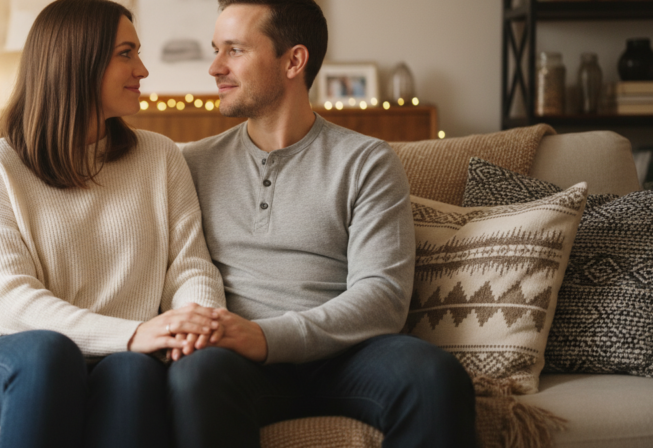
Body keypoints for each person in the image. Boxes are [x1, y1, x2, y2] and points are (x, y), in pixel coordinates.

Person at [167, 1, 477, 447]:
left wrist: (266, 336)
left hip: (346, 356)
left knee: (432, 375)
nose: (215, 67)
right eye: (216, 50)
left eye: (234, 50)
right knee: (195, 375)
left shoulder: (366, 160)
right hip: (237, 363)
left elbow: (383, 297)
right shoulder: (190, 164)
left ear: (293, 60)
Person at [0, 1, 226, 448]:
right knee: (51, 350)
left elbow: (189, 266)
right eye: (126, 53)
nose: (144, 69)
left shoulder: (160, 157)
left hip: (122, 354)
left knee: (135, 372)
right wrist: (131, 332)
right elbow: (8, 300)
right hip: (9, 354)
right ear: (77, 62)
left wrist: (193, 326)